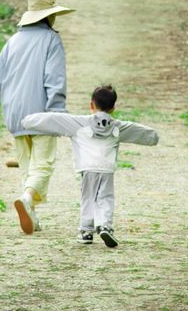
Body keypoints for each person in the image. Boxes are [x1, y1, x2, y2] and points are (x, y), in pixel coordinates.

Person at [0, 0, 74, 235]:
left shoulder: (13, 41)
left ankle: (32, 215)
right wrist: (57, 114)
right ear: (49, 16)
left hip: (15, 114)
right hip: (42, 112)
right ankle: (28, 201)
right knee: (42, 167)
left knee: (28, 167)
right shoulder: (51, 40)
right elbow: (55, 79)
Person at [22, 85, 158, 247]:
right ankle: (104, 225)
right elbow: (142, 132)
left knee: (88, 197)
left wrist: (27, 122)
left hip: (87, 168)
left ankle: (86, 231)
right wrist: (154, 138)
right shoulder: (118, 126)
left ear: (91, 104)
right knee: (105, 197)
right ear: (113, 108)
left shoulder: (79, 123)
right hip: (107, 168)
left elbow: (53, 119)